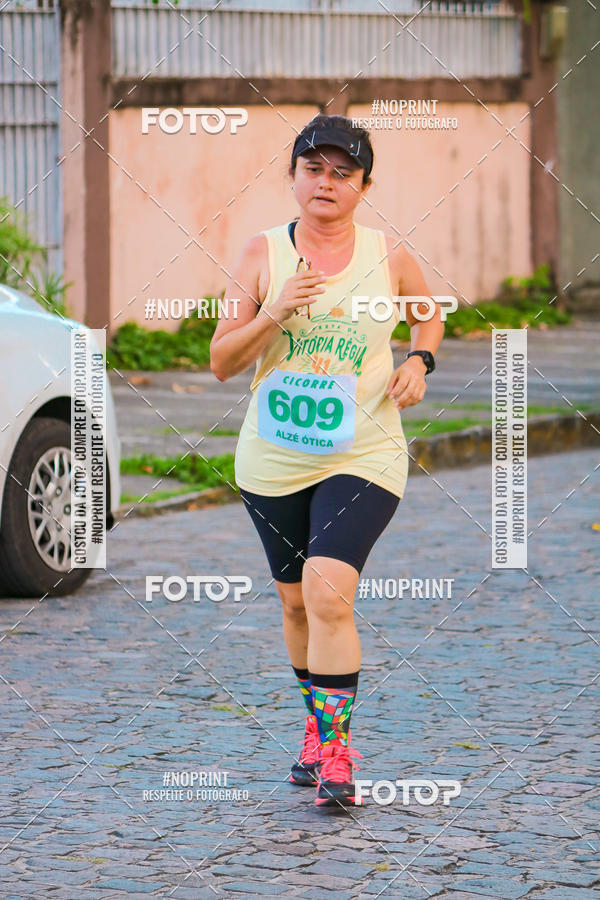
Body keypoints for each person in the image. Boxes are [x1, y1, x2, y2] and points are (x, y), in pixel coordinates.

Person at [210, 114, 444, 807]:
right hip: (275, 457)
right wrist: (274, 311)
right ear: (293, 178)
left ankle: (338, 756)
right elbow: (222, 363)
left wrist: (421, 358)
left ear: (364, 185)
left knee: (327, 591)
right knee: (293, 602)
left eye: (343, 172)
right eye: (313, 168)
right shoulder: (261, 255)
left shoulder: (388, 254)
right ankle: (316, 730)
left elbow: (428, 313)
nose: (326, 182)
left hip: (364, 449)